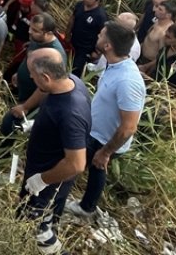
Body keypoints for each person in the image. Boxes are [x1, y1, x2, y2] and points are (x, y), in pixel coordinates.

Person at [66, 22, 146, 220]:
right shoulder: (113, 65)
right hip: (95, 132)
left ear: (108, 45)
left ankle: (61, 201)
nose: (97, 36)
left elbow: (128, 127)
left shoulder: (128, 81)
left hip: (104, 140)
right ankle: (87, 207)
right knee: (96, 169)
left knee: (75, 166)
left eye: (101, 35)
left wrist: (106, 151)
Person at [16, 48, 91, 255]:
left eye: (32, 73)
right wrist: (38, 124)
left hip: (49, 180)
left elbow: (76, 163)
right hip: (43, 171)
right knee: (45, 217)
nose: (30, 76)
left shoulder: (70, 112)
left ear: (46, 77)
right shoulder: (70, 82)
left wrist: (42, 180)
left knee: (30, 224)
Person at [0, 13, 66, 153]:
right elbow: (30, 56)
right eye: (30, 28)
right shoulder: (37, 40)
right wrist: (20, 72)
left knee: (9, 124)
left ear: (48, 33)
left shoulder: (54, 54)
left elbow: (46, 88)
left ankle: (4, 156)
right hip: (25, 94)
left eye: (35, 30)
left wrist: (25, 106)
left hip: (34, 103)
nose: (30, 32)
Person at [65, 0, 108, 76]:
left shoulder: (100, 16)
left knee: (75, 71)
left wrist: (97, 52)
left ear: (97, 1)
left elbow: (104, 35)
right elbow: (72, 19)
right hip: (73, 42)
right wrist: (67, 34)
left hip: (85, 49)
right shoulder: (79, 5)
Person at [139, 0, 176, 64]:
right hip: (141, 56)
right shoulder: (158, 22)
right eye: (157, 7)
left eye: (160, 9)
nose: (155, 10)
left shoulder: (166, 32)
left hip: (148, 63)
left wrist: (146, 67)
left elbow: (162, 57)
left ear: (168, 15)